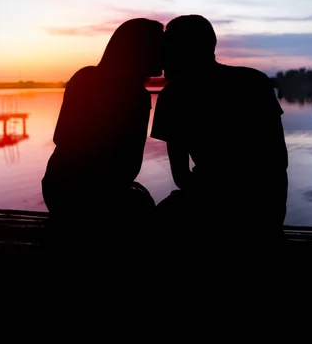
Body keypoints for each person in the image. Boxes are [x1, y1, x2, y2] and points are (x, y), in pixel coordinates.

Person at [151, 14, 288, 248]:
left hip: (214, 204)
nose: (161, 57)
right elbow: (278, 161)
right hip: (266, 205)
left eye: (167, 48)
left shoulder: (173, 96)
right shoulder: (255, 81)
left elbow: (182, 176)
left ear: (183, 50)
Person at [41, 18, 164, 252]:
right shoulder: (136, 96)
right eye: (160, 46)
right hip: (98, 201)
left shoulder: (83, 77)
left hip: (57, 189)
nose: (165, 53)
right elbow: (129, 168)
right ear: (142, 50)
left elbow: (60, 137)